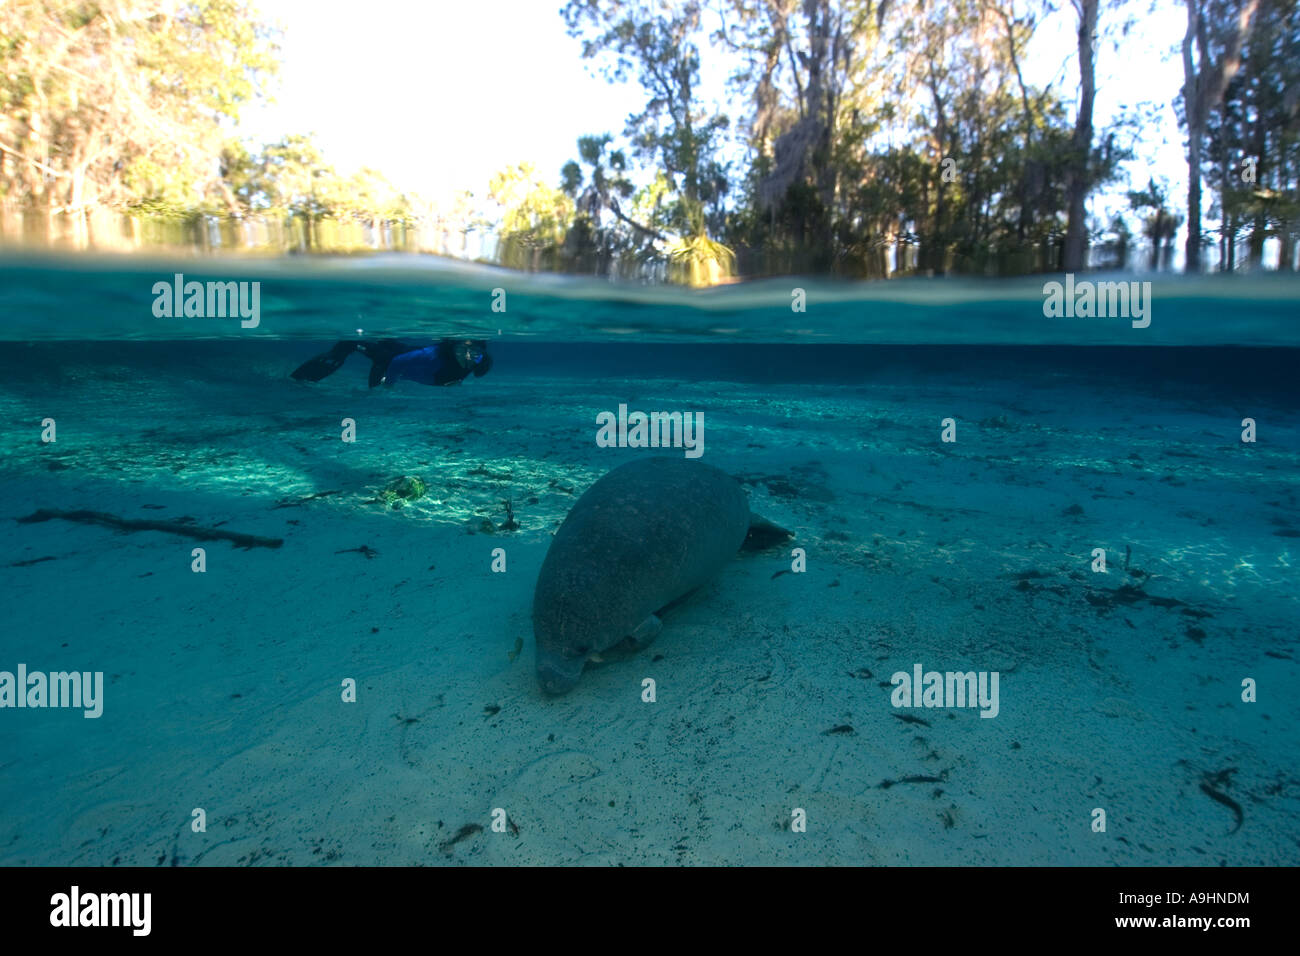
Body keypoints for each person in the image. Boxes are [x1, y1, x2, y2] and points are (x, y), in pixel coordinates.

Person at [291, 338, 492, 388]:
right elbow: (397, 362)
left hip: (404, 354)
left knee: (391, 344)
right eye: (461, 350)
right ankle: (333, 358)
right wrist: (388, 385)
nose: (467, 356)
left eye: (474, 351)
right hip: (390, 361)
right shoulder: (432, 355)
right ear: (452, 348)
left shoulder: (481, 361)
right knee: (352, 344)